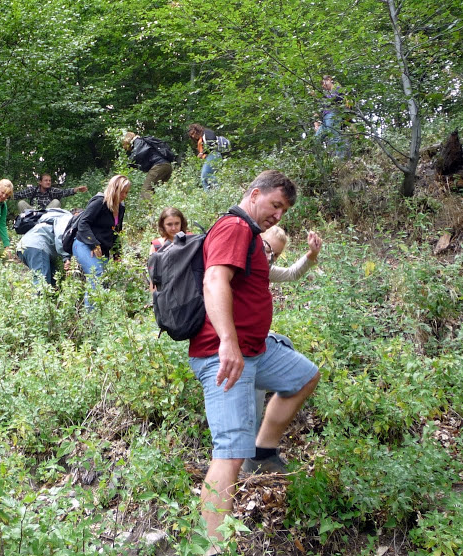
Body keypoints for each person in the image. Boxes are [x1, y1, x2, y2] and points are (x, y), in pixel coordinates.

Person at [187, 170, 320, 555]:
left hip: (257, 350)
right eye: (275, 204)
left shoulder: (254, 237)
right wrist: (228, 342)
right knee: (229, 451)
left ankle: (263, 452)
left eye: (284, 210)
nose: (278, 215)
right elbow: (214, 281)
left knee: (304, 375)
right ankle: (212, 548)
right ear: (254, 193)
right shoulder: (233, 227)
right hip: (223, 354)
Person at [254, 226, 323, 432]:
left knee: (284, 343)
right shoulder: (239, 262)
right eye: (267, 249)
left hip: (256, 342)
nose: (269, 257)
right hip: (235, 345)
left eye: (275, 254)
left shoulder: (264, 268)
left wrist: (312, 254)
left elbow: (292, 273)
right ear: (258, 240)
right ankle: (252, 448)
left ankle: (258, 446)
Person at [71, 175, 131, 308]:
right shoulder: (99, 202)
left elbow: (117, 232)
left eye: (126, 192)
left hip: (103, 249)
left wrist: (117, 254)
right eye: (122, 192)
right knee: (96, 274)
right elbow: (83, 223)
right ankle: (91, 320)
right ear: (114, 189)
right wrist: (93, 243)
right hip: (83, 243)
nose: (124, 195)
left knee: (105, 281)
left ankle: (103, 316)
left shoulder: (121, 208)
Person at [16, 208, 77, 287]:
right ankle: (38, 298)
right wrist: (66, 257)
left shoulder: (51, 215)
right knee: (42, 283)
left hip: (27, 247)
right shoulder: (67, 217)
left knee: (53, 281)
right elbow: (60, 235)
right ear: (76, 214)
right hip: (37, 247)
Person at [122, 132, 174, 199]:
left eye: (124, 144)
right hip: (166, 166)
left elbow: (138, 154)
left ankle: (148, 209)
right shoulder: (142, 142)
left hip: (159, 166)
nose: (124, 147)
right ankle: (157, 207)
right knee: (152, 191)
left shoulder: (138, 141)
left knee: (146, 190)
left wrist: (128, 163)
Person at [13, 174, 88, 213]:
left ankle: (45, 222)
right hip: (33, 213)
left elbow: (64, 192)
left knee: (56, 202)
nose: (48, 182)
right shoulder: (33, 190)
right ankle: (26, 223)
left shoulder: (52, 190)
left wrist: (77, 189)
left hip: (47, 213)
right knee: (21, 203)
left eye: (49, 180)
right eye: (46, 180)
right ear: (40, 182)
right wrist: (5, 194)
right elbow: (19, 195)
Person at [314, 75, 349, 158]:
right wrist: (317, 123)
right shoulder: (324, 94)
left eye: (324, 83)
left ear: (329, 80)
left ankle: (341, 160)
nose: (323, 86)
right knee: (316, 139)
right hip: (325, 119)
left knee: (335, 138)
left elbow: (340, 101)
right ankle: (319, 163)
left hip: (334, 115)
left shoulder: (338, 89)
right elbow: (319, 109)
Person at [188, 123, 221, 190]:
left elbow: (212, 142)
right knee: (208, 175)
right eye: (191, 135)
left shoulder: (207, 132)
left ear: (197, 130)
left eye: (193, 133)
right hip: (209, 156)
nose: (193, 136)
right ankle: (214, 191)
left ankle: (217, 190)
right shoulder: (201, 139)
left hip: (213, 154)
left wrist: (202, 153)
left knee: (205, 174)